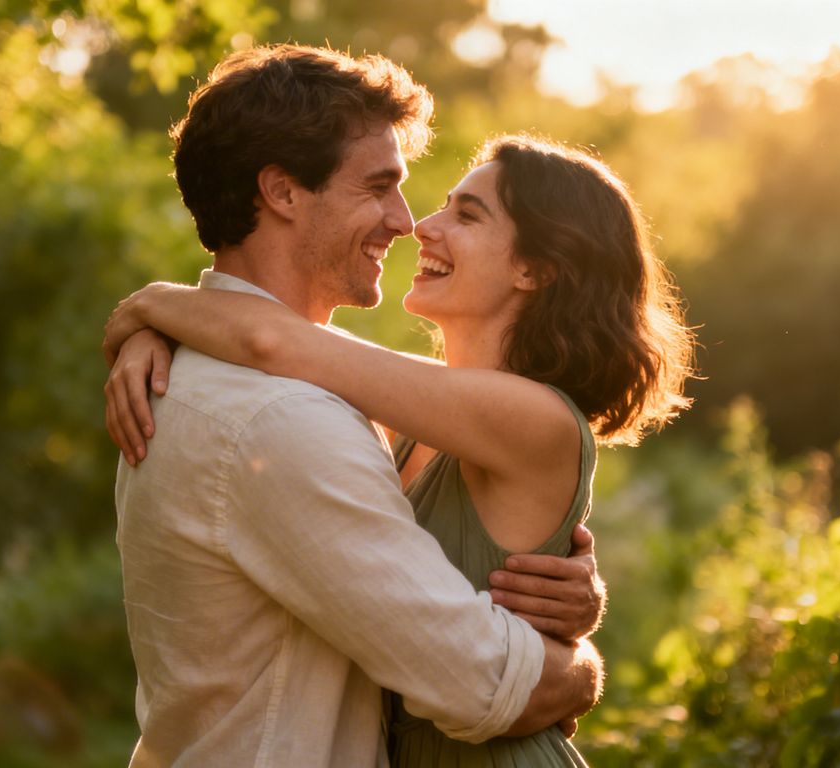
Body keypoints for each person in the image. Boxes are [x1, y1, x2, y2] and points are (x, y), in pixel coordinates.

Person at [105, 125, 696, 762]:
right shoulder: (414, 414)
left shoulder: (537, 417)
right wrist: (160, 332)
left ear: (534, 268)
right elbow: (289, 351)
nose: (423, 226)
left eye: (467, 215)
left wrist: (148, 307)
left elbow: (274, 342)